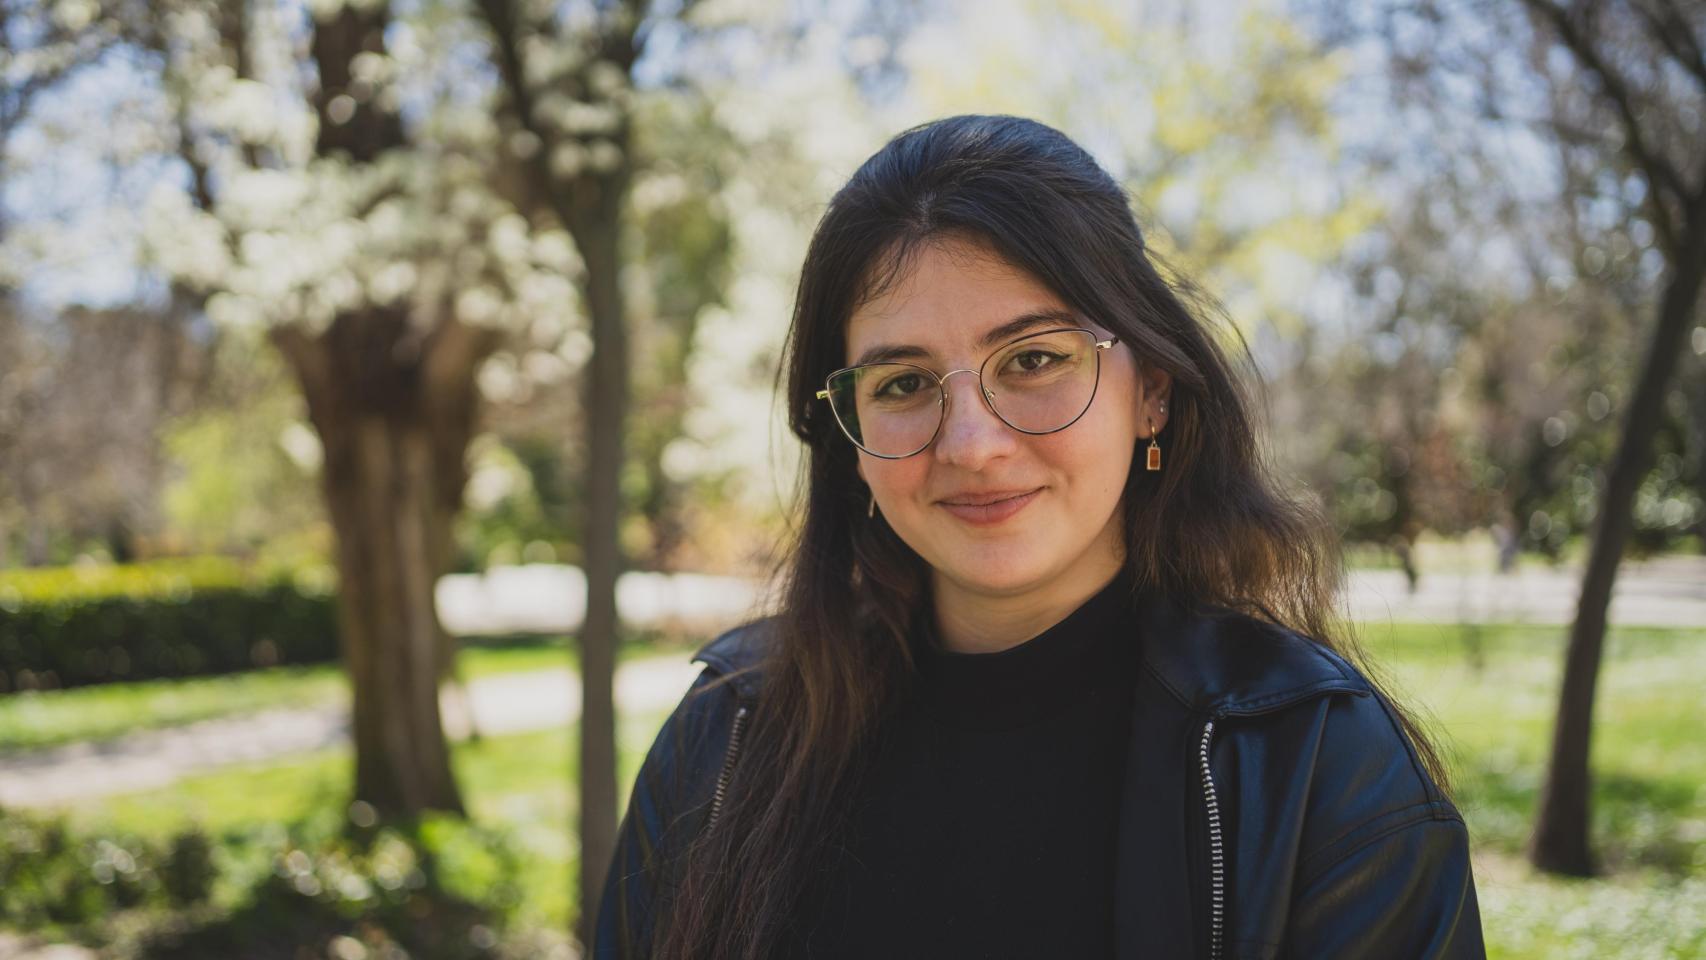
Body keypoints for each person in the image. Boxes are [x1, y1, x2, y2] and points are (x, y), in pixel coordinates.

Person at [594, 114, 1484, 959]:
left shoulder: (1320, 768)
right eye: (903, 383)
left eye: (1033, 360)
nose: (972, 446)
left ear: (1152, 390)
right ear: (848, 439)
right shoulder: (725, 737)